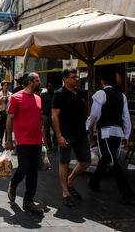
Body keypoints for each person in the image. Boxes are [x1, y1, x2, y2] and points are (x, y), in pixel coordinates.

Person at [86, 71, 135, 204]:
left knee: (112, 161)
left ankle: (127, 192)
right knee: (107, 158)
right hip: (118, 132)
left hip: (106, 132)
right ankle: (94, 182)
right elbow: (126, 117)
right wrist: (126, 134)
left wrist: (87, 126)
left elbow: (94, 114)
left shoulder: (101, 94)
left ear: (102, 81)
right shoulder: (121, 96)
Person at [5, 72, 44, 214]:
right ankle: (14, 184)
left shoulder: (38, 99)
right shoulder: (16, 98)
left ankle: (28, 201)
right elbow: (9, 119)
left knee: (34, 171)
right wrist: (9, 140)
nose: (40, 83)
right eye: (38, 80)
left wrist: (42, 140)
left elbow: (37, 119)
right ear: (30, 82)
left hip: (37, 140)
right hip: (23, 140)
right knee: (24, 168)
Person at [52, 68, 91, 208]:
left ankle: (69, 182)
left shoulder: (79, 93)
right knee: (65, 163)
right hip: (66, 134)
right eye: (73, 77)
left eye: (76, 77)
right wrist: (59, 136)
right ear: (65, 79)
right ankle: (65, 193)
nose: (76, 79)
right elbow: (54, 115)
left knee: (86, 161)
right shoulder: (59, 94)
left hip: (80, 133)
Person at [0, 81, 11, 147]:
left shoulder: (10, 94)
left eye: (7, 85)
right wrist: (1, 99)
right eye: (5, 85)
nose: (6, 87)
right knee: (1, 127)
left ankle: (6, 140)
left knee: (8, 127)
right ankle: (1, 138)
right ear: (2, 86)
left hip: (8, 112)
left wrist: (8, 98)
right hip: (1, 112)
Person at [41, 82, 57, 150]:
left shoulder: (55, 95)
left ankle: (54, 140)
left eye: (52, 86)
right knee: (46, 131)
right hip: (45, 115)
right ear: (47, 87)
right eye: (50, 86)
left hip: (54, 115)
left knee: (56, 130)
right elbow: (40, 104)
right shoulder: (43, 95)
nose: (51, 88)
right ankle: (49, 144)